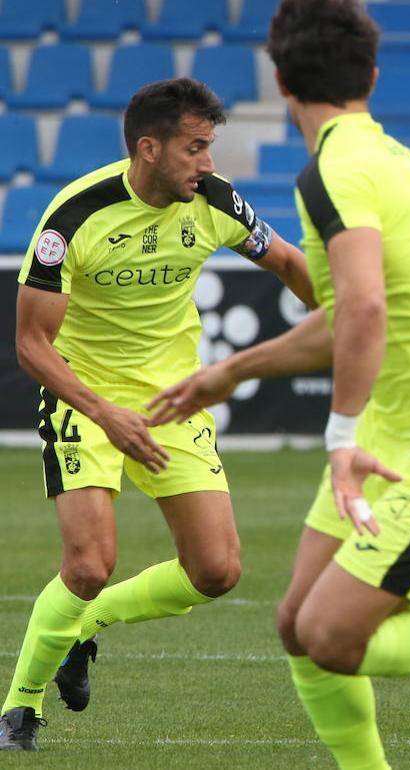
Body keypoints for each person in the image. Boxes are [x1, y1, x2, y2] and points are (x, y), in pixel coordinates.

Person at [147, 3, 410, 767]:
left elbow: (362, 307)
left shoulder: (332, 169)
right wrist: (230, 371)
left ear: (279, 78)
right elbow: (350, 315)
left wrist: (338, 437)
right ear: (371, 75)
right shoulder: (389, 155)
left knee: (332, 636)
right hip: (402, 427)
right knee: (296, 622)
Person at [0, 78, 316, 752]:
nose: (207, 163)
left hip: (172, 399)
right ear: (150, 148)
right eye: (194, 148)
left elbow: (289, 262)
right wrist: (103, 411)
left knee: (216, 571)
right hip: (83, 395)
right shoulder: (75, 216)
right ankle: (19, 709)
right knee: (88, 565)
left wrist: (355, 321)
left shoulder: (214, 201)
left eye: (210, 148)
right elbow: (31, 343)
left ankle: (82, 630)